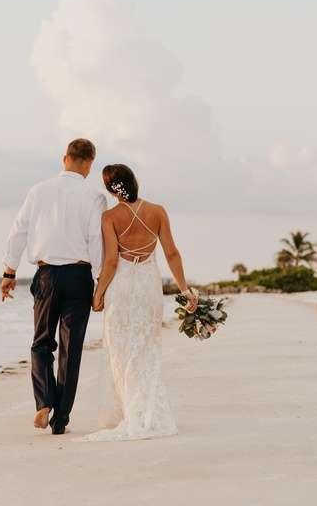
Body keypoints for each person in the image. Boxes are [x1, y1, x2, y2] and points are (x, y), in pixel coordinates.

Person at [81, 163, 197, 441]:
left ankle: (128, 412)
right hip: (147, 286)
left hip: (121, 286)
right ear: (134, 182)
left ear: (111, 190)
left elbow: (110, 261)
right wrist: (185, 290)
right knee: (146, 348)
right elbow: (171, 253)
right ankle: (144, 411)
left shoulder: (109, 217)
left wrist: (98, 294)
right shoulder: (157, 211)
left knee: (120, 350)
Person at [0, 138, 107, 435]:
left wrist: (9, 272)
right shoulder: (94, 197)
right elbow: (96, 243)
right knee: (71, 351)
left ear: (65, 158)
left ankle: (43, 402)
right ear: (89, 163)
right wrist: (100, 285)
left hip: (46, 275)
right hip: (78, 277)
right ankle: (61, 420)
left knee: (41, 342)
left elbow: (18, 231)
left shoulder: (38, 191)